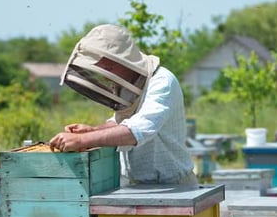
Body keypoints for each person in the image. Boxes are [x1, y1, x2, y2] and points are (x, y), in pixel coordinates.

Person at [49, 24, 197, 185]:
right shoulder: (126, 85)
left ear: (123, 58)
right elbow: (121, 121)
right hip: (134, 184)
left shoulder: (162, 82)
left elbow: (138, 130)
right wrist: (93, 130)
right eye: (101, 64)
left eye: (108, 64)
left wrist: (82, 140)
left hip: (173, 186)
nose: (103, 70)